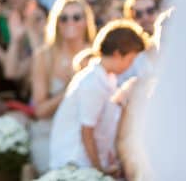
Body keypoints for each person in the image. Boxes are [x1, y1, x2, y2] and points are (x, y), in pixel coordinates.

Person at [48, 20, 148, 174]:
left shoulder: (107, 78)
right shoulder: (92, 82)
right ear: (117, 55)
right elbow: (86, 131)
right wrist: (99, 170)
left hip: (87, 163)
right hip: (74, 163)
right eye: (130, 60)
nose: (130, 66)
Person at [29, 0, 97, 173]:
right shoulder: (44, 56)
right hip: (49, 130)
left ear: (86, 20)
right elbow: (40, 110)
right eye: (63, 18)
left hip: (86, 131)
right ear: (56, 22)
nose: (70, 22)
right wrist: (71, 86)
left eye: (76, 17)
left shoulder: (96, 53)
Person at [117, 0, 160, 86]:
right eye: (138, 14)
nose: (145, 17)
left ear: (159, 11)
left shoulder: (174, 44)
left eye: (150, 11)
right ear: (129, 18)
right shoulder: (123, 53)